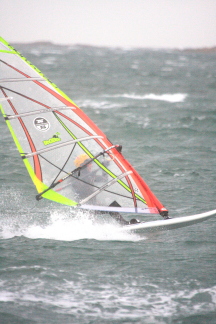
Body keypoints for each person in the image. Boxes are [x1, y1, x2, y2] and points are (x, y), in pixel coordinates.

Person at [73, 153, 140, 226]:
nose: (91, 165)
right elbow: (79, 186)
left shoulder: (90, 176)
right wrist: (89, 176)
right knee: (111, 207)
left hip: (93, 206)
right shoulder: (76, 178)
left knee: (114, 206)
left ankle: (122, 223)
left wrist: (104, 167)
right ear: (83, 165)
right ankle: (123, 223)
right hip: (85, 209)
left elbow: (104, 179)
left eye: (91, 163)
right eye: (89, 164)